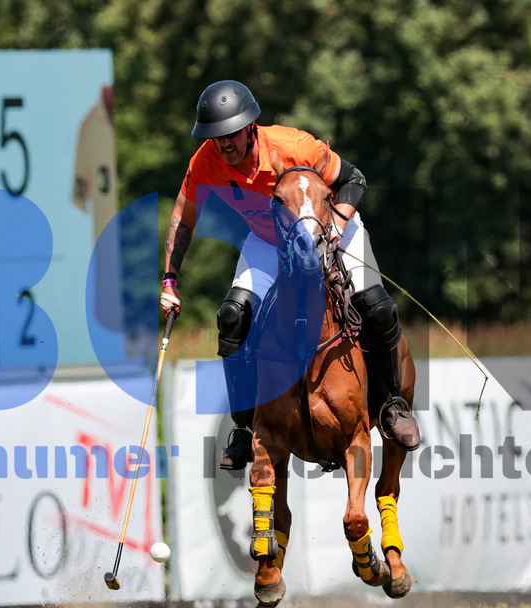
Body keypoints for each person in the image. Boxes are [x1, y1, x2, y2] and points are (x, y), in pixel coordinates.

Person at [160, 80, 420, 470]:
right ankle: (245, 428)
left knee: (376, 307)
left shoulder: (294, 146)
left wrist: (332, 226)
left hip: (332, 229)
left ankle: (392, 404)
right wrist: (169, 281)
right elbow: (183, 217)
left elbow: (354, 180)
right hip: (268, 240)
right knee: (232, 317)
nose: (224, 145)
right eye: (216, 138)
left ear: (251, 127)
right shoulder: (205, 161)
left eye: (230, 135)